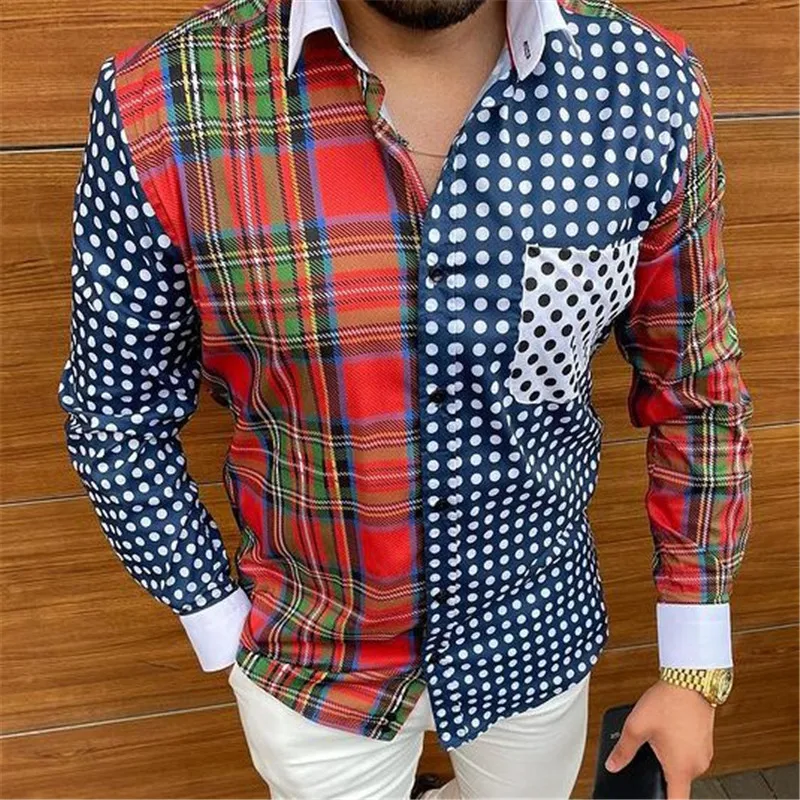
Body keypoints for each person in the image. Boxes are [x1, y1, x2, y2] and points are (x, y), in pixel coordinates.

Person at [58, 0, 754, 797]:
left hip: (536, 634)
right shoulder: (166, 106)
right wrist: (218, 619)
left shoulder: (645, 91)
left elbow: (695, 388)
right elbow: (115, 412)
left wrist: (694, 664)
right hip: (311, 661)